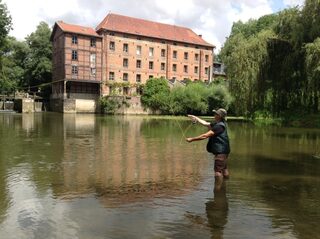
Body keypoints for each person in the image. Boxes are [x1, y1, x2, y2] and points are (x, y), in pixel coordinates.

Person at [186, 108, 230, 179]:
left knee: (218, 172)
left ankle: (218, 189)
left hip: (220, 152)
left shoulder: (219, 126)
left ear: (219, 116)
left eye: (216, 114)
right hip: (224, 151)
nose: (214, 115)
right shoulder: (219, 124)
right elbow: (205, 123)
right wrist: (195, 117)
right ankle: (224, 185)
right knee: (224, 169)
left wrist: (192, 139)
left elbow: (205, 136)